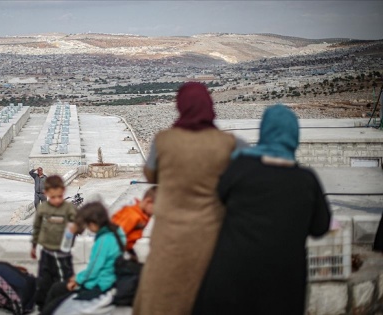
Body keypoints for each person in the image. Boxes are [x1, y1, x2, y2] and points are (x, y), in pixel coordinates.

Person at [192, 105, 331, 315]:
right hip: (282, 288)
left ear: (264, 131)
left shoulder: (240, 166)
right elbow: (320, 227)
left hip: (231, 279)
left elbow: (218, 197)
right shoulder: (306, 180)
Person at [133, 82, 236, 315]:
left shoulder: (164, 141)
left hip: (169, 233)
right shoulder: (227, 143)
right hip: (210, 233)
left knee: (161, 294)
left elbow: (150, 173)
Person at [42, 202, 126, 315]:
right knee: (57, 289)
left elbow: (94, 269)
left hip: (99, 286)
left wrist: (77, 280)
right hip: (107, 281)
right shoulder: (117, 232)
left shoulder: (103, 241)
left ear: (93, 224)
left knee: (55, 297)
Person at [31, 175, 77, 310]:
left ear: (63, 192)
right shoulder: (43, 209)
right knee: (44, 281)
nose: (57, 200)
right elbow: (37, 228)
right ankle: (43, 306)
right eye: (53, 197)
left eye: (59, 196)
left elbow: (78, 224)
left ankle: (64, 306)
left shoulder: (68, 208)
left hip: (63, 254)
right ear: (46, 193)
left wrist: (75, 227)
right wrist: (34, 246)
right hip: (46, 252)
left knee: (63, 282)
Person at [111, 186, 156, 260]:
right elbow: (116, 236)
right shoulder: (132, 216)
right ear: (148, 201)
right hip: (117, 250)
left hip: (128, 247)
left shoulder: (144, 213)